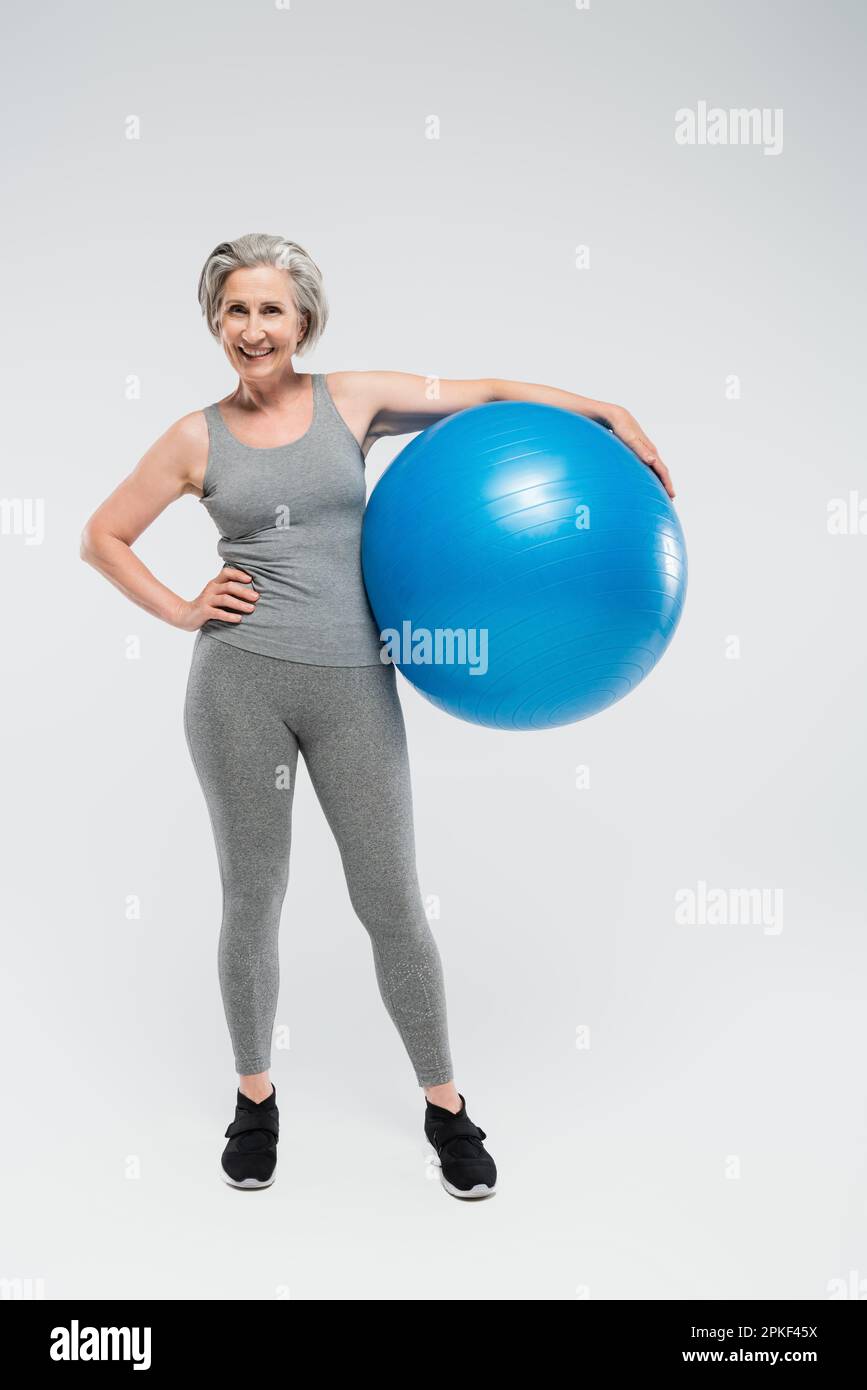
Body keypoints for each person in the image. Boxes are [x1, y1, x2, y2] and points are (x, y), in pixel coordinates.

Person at [80, 232, 674, 1198]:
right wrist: (185, 606)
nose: (252, 327)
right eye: (235, 309)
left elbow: (481, 398)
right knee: (252, 898)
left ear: (303, 318)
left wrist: (599, 407)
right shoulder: (196, 437)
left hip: (356, 681)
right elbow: (100, 535)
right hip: (240, 684)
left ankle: (446, 1108)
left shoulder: (349, 400)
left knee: (391, 901)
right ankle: (254, 1101)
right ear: (213, 322)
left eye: (271, 308)